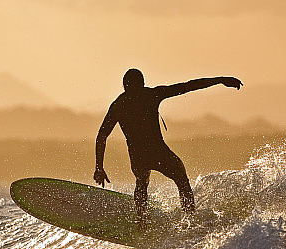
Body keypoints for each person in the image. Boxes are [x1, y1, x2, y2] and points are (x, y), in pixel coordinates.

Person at [94, 68, 243, 223]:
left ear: (125, 85)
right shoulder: (150, 95)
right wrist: (221, 80)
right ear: (142, 84)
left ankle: (142, 221)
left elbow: (102, 136)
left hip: (138, 157)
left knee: (142, 181)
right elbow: (187, 86)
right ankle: (189, 219)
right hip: (158, 152)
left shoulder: (118, 105)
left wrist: (99, 167)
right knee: (181, 180)